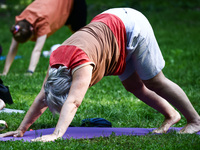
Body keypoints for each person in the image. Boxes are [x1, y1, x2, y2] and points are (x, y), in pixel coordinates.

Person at [1, 8, 200, 142]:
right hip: (110, 24)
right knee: (133, 86)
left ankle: (194, 121)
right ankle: (171, 115)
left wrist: (56, 134)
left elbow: (73, 102)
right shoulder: (55, 62)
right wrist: (22, 129)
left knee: (155, 81)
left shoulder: (82, 66)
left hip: (131, 26)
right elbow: (43, 97)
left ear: (70, 84)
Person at [0, 0, 87, 76]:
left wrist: (30, 72)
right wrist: (5, 72)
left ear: (32, 29)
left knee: (80, 35)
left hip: (74, 3)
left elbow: (37, 50)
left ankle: (85, 62)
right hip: (55, 6)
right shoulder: (20, 24)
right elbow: (12, 49)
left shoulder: (42, 21)